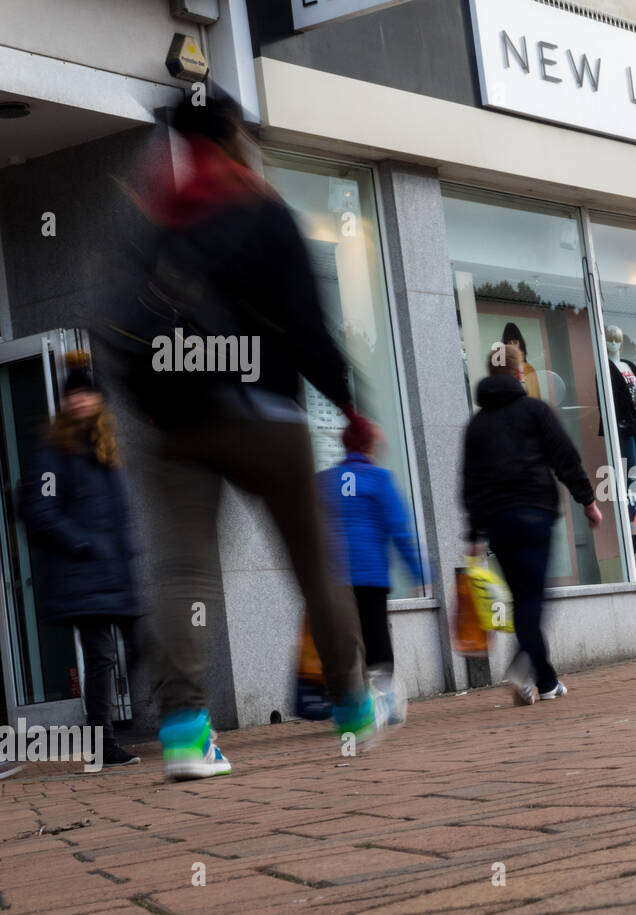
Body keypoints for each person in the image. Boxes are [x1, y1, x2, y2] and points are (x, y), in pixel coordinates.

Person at [99, 88, 375, 780]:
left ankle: (187, 732)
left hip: (181, 424)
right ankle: (351, 706)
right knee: (313, 558)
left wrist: (154, 410)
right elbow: (308, 323)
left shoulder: (164, 217)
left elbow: (123, 330)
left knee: (182, 569)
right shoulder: (263, 206)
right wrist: (348, 403)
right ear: (232, 135)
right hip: (267, 416)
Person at [19, 364, 147, 770]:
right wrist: (81, 542)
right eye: (72, 395)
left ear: (99, 402)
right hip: (82, 572)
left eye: (86, 394)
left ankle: (158, 723)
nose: (80, 400)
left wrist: (123, 553)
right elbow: (41, 509)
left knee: (140, 646)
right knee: (101, 654)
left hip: (111, 572)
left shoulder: (105, 451)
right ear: (63, 404)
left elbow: (117, 517)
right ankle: (102, 741)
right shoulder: (54, 453)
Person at [461, 342, 600, 704]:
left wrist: (474, 533)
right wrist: (587, 500)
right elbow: (565, 457)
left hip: (499, 522)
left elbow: (471, 481)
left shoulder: (477, 425)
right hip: (534, 515)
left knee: (524, 599)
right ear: (519, 372)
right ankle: (534, 675)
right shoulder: (534, 411)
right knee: (532, 600)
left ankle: (536, 676)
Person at [317, 418, 425, 724]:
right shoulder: (379, 478)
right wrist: (418, 572)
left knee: (346, 641)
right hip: (370, 576)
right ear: (368, 445)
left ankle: (355, 703)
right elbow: (399, 530)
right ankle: (384, 702)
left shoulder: (324, 480)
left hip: (335, 578)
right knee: (375, 635)